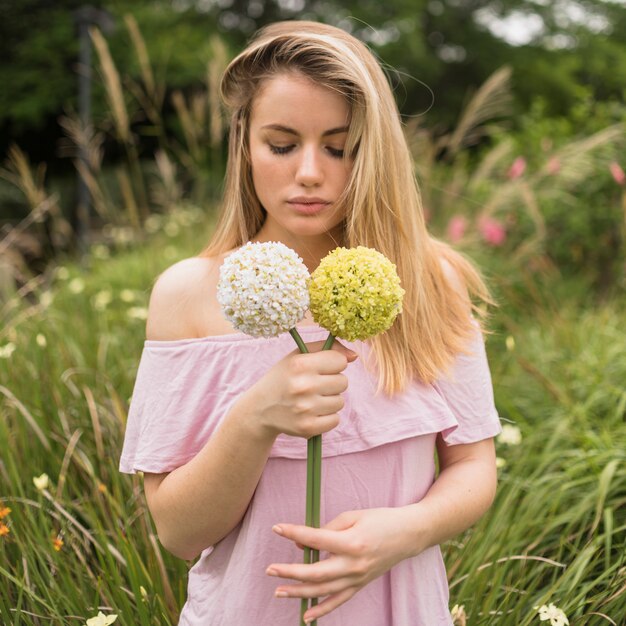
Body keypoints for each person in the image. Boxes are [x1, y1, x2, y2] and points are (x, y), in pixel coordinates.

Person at [119, 19, 501, 626]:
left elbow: (474, 465)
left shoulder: (429, 283)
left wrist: (406, 531)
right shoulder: (189, 295)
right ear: (245, 143)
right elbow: (178, 533)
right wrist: (255, 417)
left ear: (373, 151)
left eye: (339, 147)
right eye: (281, 143)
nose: (309, 173)